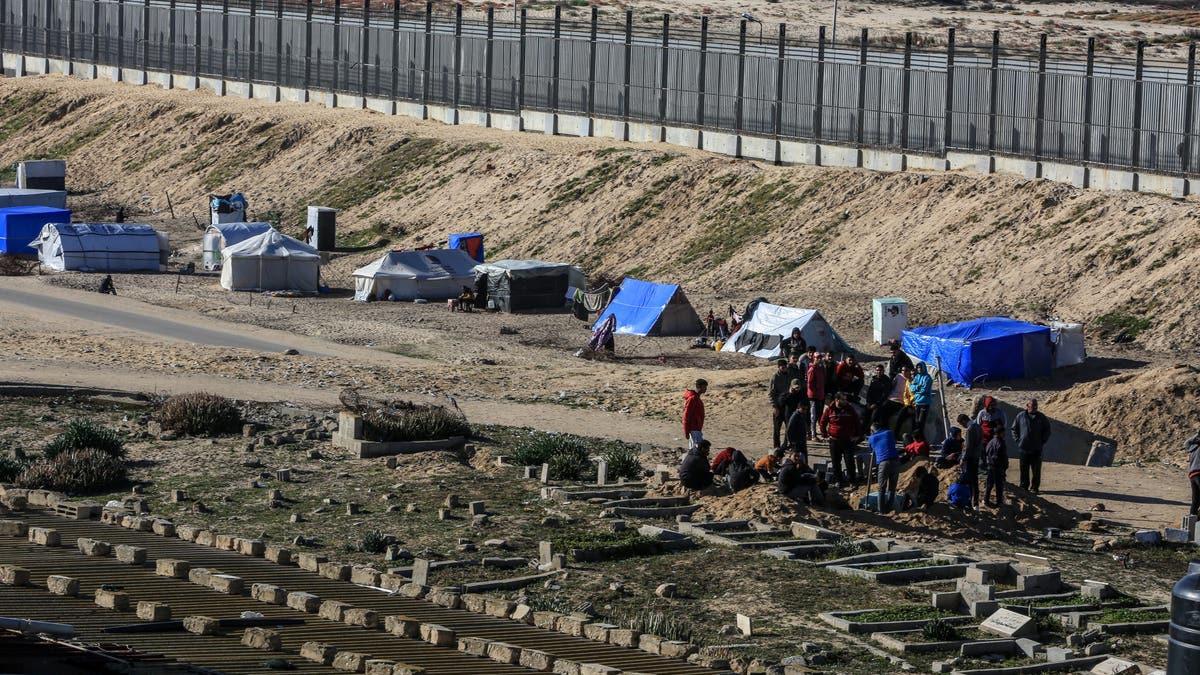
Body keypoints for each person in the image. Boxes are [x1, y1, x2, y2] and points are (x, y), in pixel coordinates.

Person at [1011, 398, 1052, 493]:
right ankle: (1024, 487)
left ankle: (1034, 487)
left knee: (1036, 470)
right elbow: (1014, 429)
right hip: (1024, 448)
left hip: (1036, 449)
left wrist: (1042, 441)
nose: (1034, 408)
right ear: (1027, 406)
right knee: (1024, 469)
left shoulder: (1041, 417)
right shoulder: (1020, 416)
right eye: (1032, 406)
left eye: (1035, 407)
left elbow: (1047, 430)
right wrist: (1018, 440)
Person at [819, 394, 861, 486]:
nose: (845, 401)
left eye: (845, 399)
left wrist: (857, 435)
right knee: (835, 462)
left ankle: (852, 481)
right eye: (843, 399)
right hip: (834, 440)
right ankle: (839, 481)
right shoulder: (829, 410)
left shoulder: (850, 409)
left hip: (847, 440)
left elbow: (857, 422)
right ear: (837, 400)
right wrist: (824, 435)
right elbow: (822, 422)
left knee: (849, 461)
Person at [869, 425, 900, 514]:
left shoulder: (872, 438)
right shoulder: (889, 433)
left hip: (884, 462)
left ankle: (881, 511)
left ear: (872, 430)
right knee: (892, 488)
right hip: (896, 461)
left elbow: (871, 450)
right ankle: (888, 508)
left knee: (881, 488)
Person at [957, 413, 983, 510]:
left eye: (961, 424)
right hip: (976, 456)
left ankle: (969, 501)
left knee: (968, 480)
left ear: (964, 421)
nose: (962, 426)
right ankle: (975, 503)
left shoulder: (970, 429)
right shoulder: (978, 426)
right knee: (974, 480)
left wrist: (963, 459)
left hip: (970, 458)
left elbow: (968, 447)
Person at [768, 359, 792, 449]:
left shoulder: (789, 375)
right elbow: (771, 393)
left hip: (787, 406)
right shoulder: (775, 377)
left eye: (785, 367)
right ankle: (776, 446)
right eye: (782, 367)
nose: (784, 368)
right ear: (779, 367)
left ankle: (786, 444)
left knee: (788, 426)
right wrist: (774, 406)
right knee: (777, 429)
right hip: (778, 406)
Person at [881, 365, 910, 435]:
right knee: (881, 410)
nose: (904, 372)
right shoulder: (898, 376)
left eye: (906, 370)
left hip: (900, 401)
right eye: (903, 370)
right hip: (891, 398)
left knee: (888, 413)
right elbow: (892, 386)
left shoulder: (910, 380)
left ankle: (888, 433)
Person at [908, 362, 934, 434]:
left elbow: (924, 389)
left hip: (924, 402)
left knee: (921, 422)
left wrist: (916, 390)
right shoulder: (917, 377)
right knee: (916, 421)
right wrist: (917, 387)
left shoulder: (927, 378)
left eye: (920, 367)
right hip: (917, 401)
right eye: (918, 367)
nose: (919, 369)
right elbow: (911, 388)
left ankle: (920, 438)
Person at [984, 432, 1008, 506]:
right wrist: (1005, 466)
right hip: (998, 467)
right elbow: (1004, 457)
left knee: (989, 484)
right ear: (1000, 433)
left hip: (990, 466)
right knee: (999, 485)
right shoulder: (1001, 443)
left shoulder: (991, 441)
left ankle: (986, 500)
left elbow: (986, 451)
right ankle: (999, 501)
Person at [864, 364, 892, 428]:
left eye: (880, 370)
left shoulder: (886, 381)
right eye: (877, 370)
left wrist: (876, 404)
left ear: (883, 371)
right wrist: (868, 402)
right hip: (871, 402)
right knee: (865, 414)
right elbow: (869, 391)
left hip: (879, 404)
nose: (878, 372)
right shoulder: (874, 379)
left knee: (874, 417)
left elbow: (885, 395)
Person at [682, 379, 707, 450]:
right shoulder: (693, 399)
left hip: (697, 428)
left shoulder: (696, 398)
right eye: (704, 387)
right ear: (699, 387)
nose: (705, 389)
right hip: (694, 429)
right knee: (695, 450)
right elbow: (686, 416)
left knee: (696, 449)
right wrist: (686, 431)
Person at [807, 353, 827, 439]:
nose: (819, 359)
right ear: (814, 358)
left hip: (820, 395)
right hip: (814, 396)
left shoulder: (821, 368)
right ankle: (813, 434)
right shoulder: (812, 369)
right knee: (813, 416)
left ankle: (820, 432)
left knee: (819, 415)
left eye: (820, 358)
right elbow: (810, 384)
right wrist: (816, 393)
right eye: (817, 358)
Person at [1188, 431, 1200, 516]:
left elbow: (1186, 443)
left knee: (1195, 501)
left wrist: (1197, 434)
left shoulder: (1192, 447)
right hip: (1199, 473)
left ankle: (1192, 523)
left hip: (1192, 475)